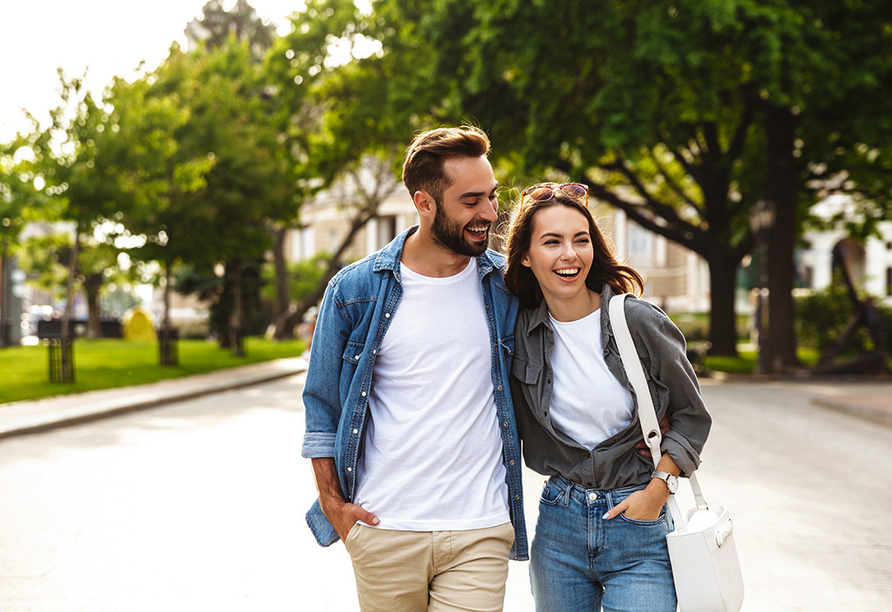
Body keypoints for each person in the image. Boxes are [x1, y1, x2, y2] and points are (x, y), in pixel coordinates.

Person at [301, 126, 527, 612]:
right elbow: (321, 408)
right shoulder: (354, 290)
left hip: (479, 527)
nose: (489, 213)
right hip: (385, 528)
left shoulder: (508, 285)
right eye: (471, 201)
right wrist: (334, 508)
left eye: (491, 196)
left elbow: (572, 343)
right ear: (424, 203)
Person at [504, 182, 712, 612]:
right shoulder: (517, 333)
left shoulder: (636, 321)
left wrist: (658, 489)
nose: (570, 254)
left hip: (639, 521)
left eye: (581, 241)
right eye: (552, 242)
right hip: (559, 524)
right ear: (526, 256)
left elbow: (692, 416)